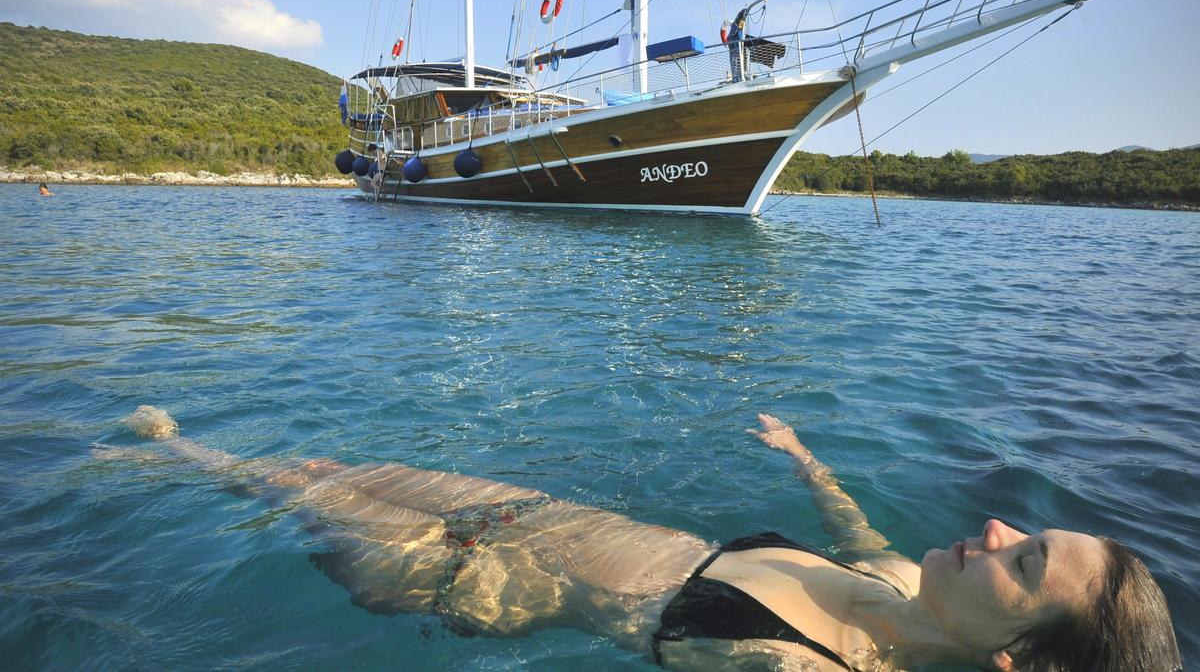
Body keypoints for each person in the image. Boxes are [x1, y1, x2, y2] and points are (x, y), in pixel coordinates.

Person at [122, 407, 1181, 671]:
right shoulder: (903, 574)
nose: (999, 528)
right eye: (1027, 529)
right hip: (540, 513)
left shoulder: (801, 665)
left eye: (1026, 560)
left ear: (1013, 656)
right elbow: (855, 529)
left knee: (269, 487)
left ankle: (162, 456)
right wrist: (807, 458)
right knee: (325, 466)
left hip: (488, 576)